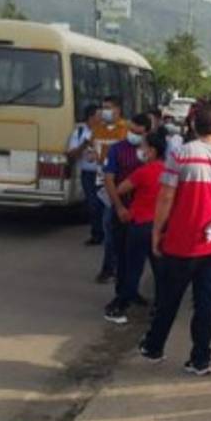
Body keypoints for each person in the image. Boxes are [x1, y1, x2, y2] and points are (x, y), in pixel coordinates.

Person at [140, 104, 211, 375]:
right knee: (206, 304)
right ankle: (201, 358)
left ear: (193, 127)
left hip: (180, 241)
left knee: (168, 298)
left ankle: (154, 347)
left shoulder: (181, 154)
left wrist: (157, 230)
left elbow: (166, 195)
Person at [103, 131, 169, 324]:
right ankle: (160, 308)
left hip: (140, 225)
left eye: (144, 147)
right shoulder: (169, 172)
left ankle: (120, 306)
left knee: (133, 268)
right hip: (161, 226)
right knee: (160, 271)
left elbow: (121, 188)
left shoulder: (143, 172)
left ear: (153, 150)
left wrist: (121, 207)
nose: (140, 150)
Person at [104, 114, 153, 305]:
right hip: (122, 208)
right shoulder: (117, 149)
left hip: (143, 213)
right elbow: (109, 178)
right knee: (122, 254)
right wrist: (119, 207)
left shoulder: (150, 152)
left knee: (138, 257)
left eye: (137, 132)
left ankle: (132, 291)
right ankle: (121, 293)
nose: (132, 134)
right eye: (130, 130)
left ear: (146, 132)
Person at [92, 96, 130, 283]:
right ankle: (112, 267)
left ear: (118, 110)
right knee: (108, 226)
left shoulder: (125, 130)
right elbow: (95, 150)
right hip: (101, 182)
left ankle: (110, 268)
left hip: (117, 184)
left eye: (108, 108)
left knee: (110, 226)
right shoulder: (98, 128)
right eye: (103, 107)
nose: (104, 111)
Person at [68, 104, 104, 246]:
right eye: (98, 116)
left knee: (104, 204)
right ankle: (97, 234)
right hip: (88, 174)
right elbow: (72, 154)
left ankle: (105, 232)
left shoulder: (106, 132)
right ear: (90, 118)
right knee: (93, 204)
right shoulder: (79, 132)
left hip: (102, 173)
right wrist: (85, 144)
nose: (100, 119)